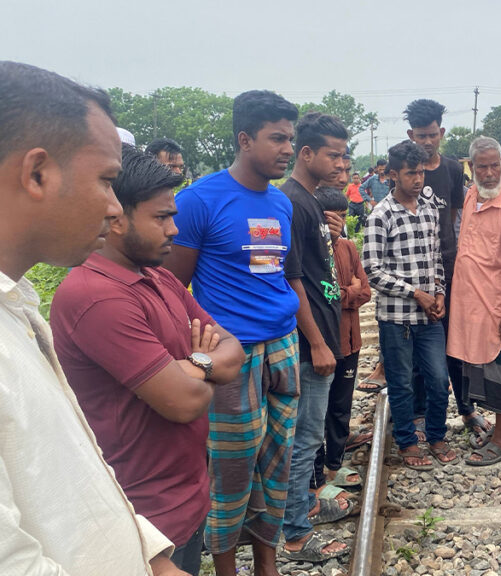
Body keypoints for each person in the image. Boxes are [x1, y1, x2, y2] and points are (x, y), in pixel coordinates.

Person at [0, 60, 185, 576]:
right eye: (106, 181)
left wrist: (149, 556)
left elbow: (74, 472)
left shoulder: (17, 307)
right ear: (37, 173)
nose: (114, 208)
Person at [51, 145, 246, 575]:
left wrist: (192, 366)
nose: (174, 229)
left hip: (186, 494)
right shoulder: (97, 296)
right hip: (145, 516)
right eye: (161, 218)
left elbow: (234, 352)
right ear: (116, 217)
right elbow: (185, 403)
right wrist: (207, 367)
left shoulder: (157, 277)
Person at [163, 90, 301, 576]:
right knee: (231, 471)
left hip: (284, 347)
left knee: (277, 464)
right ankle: (226, 568)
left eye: (290, 138)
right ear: (244, 139)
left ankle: (266, 563)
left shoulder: (281, 203)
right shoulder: (198, 201)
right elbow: (172, 289)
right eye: (277, 138)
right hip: (232, 358)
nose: (288, 149)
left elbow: (277, 274)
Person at [278, 111, 353, 563]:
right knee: (305, 438)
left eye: (344, 155)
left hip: (320, 335)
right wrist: (320, 342)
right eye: (334, 155)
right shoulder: (294, 202)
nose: (341, 164)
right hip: (310, 345)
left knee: (307, 436)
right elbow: (293, 281)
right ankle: (295, 535)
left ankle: (304, 505)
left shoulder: (309, 201)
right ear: (306, 154)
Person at [363, 140, 455, 470]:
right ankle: (407, 441)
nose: (418, 180)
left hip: (429, 317)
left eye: (421, 173)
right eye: (410, 173)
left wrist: (439, 293)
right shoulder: (381, 215)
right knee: (401, 385)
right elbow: (372, 271)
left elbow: (435, 258)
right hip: (396, 318)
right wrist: (416, 294)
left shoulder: (429, 209)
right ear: (393, 175)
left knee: (438, 381)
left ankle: (436, 435)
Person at [403, 99, 489, 442]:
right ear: (411, 135)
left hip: (449, 266)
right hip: (414, 269)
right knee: (419, 341)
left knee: (455, 338)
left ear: (441, 132)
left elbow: (454, 217)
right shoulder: (405, 169)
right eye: (421, 135)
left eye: (432, 135)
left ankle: (466, 406)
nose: (427, 142)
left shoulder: (453, 170)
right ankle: (419, 411)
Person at [448, 137, 501, 465]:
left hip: (498, 304)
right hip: (471, 304)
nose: (491, 172)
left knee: (500, 367)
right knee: (477, 366)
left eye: (495, 165)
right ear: (471, 167)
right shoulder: (471, 195)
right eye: (483, 166)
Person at [312, 186, 372, 486]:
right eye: (332, 218)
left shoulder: (348, 248)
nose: (338, 224)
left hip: (349, 341)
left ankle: (334, 465)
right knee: (315, 411)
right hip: (322, 343)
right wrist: (350, 290)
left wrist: (343, 292)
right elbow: (321, 297)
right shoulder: (311, 251)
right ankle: (316, 473)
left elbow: (366, 292)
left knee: (340, 407)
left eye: (342, 217)